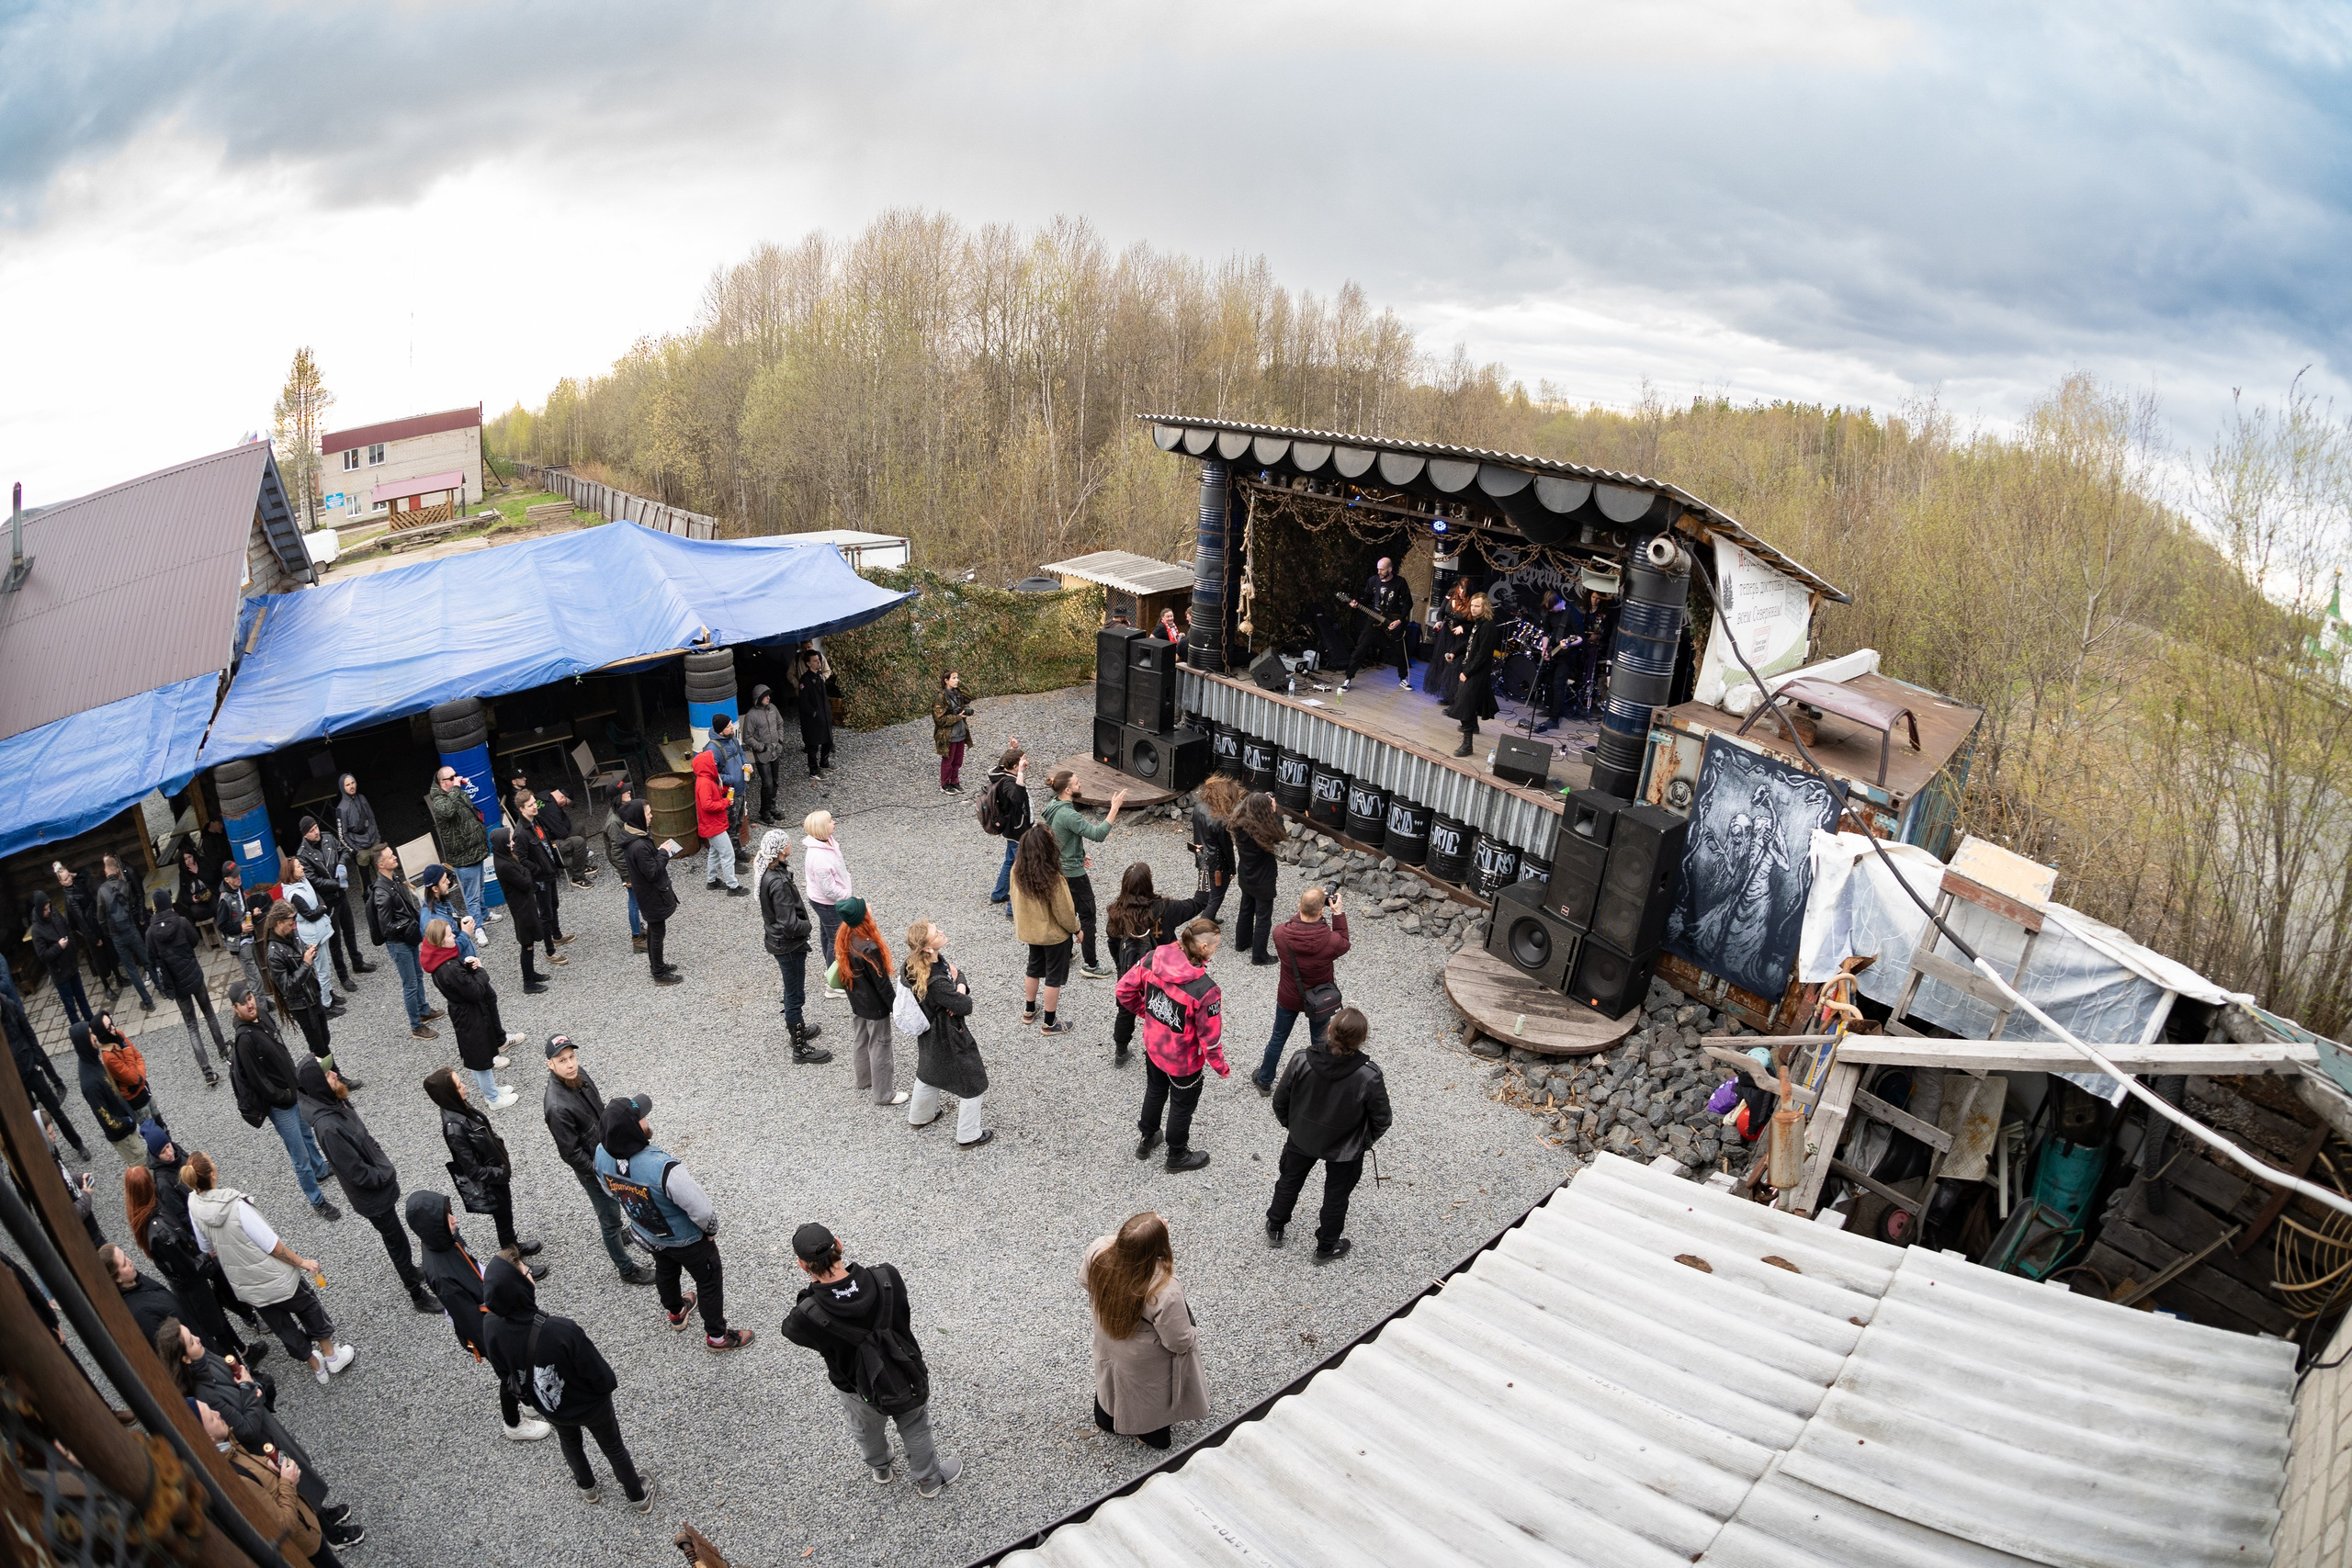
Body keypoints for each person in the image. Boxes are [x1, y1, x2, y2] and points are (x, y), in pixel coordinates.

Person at [780, 1222, 962, 1497]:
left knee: (866, 1428)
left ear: (803, 1266)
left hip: (856, 1387)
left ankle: (881, 1468)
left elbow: (790, 1331)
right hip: (905, 1372)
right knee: (915, 1425)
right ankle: (929, 1480)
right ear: (839, 1246)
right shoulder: (885, 1276)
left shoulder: (808, 1312)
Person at [165, 1321, 367, 1553]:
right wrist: (249, 1390)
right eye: (191, 1341)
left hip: (266, 1429)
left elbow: (240, 1384)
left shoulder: (204, 1358)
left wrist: (250, 1388)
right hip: (261, 1445)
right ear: (185, 1360)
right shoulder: (204, 1393)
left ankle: (320, 1512)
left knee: (302, 1472)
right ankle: (329, 1534)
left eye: (193, 1335)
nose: (198, 1340)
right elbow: (245, 1428)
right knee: (295, 1485)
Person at [483, 1254, 656, 1509]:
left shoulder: (490, 1325)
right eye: (526, 1271)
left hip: (550, 1407)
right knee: (613, 1447)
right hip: (591, 1407)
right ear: (518, 1286)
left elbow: (504, 1372)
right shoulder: (561, 1330)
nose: (530, 1273)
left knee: (570, 1442)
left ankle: (587, 1487)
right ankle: (637, 1495)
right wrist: (603, 1392)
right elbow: (600, 1375)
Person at [180, 1149, 356, 1384]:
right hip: (277, 1278)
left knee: (283, 1328)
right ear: (212, 1174)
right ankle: (332, 1357)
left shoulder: (193, 1204)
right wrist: (302, 1262)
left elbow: (206, 1247)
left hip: (247, 1285)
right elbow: (271, 1245)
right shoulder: (236, 1206)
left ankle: (317, 1368)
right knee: (308, 1308)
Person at [594, 1093, 754, 1352]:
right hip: (686, 1240)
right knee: (708, 1280)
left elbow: (609, 1191)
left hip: (648, 1233)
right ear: (633, 1129)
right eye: (642, 1118)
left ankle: (677, 1312)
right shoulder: (664, 1168)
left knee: (665, 1269)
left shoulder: (602, 1154)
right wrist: (710, 1231)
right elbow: (700, 1210)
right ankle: (717, 1336)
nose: (647, 1120)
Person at [404, 1191, 558, 1443]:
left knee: (520, 1364)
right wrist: (497, 1347)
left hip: (490, 1312)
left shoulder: (442, 1237)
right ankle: (514, 1423)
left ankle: (528, 1400)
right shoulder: (442, 1274)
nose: (455, 1220)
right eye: (446, 1217)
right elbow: (471, 1322)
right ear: (432, 1225)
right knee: (508, 1373)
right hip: (485, 1328)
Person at [294, 1057, 437, 1312]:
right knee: (396, 1241)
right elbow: (357, 1172)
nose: (336, 1074)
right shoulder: (327, 1126)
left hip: (379, 1186)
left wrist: (381, 1161)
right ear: (318, 1085)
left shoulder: (336, 1101)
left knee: (397, 1238)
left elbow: (365, 1137)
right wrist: (384, 1174)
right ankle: (417, 1295)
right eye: (328, 1075)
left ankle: (412, 1273)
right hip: (373, 1196)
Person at [1267, 1005, 1392, 1261]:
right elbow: (1382, 1119)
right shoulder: (1369, 1075)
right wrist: (1361, 1141)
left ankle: (1276, 1227)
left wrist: (1294, 1127)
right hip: (1345, 1149)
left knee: (1289, 1181)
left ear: (1329, 1030)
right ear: (1362, 1039)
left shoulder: (1301, 1059)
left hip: (1302, 1138)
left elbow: (1280, 1101)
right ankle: (1326, 1248)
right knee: (1336, 1196)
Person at [1083, 1213, 1210, 1450]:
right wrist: (1195, 1333)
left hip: (1106, 1335)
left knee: (1109, 1376)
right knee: (1149, 1395)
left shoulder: (1099, 1250)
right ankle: (1148, 1435)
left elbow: (1085, 1282)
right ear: (1159, 1248)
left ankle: (1106, 1420)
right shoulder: (1164, 1288)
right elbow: (1178, 1342)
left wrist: (1145, 1232)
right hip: (1144, 1357)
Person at [1117, 918, 1228, 1173]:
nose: (1216, 950)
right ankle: (1177, 1154)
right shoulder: (1205, 990)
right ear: (1202, 948)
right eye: (1215, 945)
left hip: (1154, 1046)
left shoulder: (1152, 958)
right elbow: (1210, 1037)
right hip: (1183, 1060)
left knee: (1155, 1090)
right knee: (1182, 1105)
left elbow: (1123, 989)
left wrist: (1145, 1012)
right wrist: (1220, 1067)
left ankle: (1147, 1139)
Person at [541, 1035, 655, 1285]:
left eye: (572, 1057)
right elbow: (570, 1154)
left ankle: (622, 1235)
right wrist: (600, 1171)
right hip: (594, 1170)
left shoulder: (578, 1074)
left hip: (608, 1154)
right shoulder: (556, 1107)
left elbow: (601, 1110)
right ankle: (626, 1270)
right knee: (610, 1219)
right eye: (562, 1060)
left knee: (622, 1199)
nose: (570, 1064)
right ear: (551, 1064)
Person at [124, 1154, 255, 1364]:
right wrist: (207, 1257)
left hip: (188, 1283)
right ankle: (238, 1368)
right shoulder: (159, 1231)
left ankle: (245, 1351)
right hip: (193, 1286)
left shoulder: (143, 1217)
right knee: (216, 1329)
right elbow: (187, 1267)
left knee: (218, 1321)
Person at [191, 1396, 346, 1567]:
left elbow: (249, 1464)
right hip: (305, 1546)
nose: (217, 1413)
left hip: (308, 1529)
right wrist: (288, 1481)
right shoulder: (236, 1479)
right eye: (211, 1417)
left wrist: (267, 1464)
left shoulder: (226, 1446)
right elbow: (284, 1526)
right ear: (209, 1438)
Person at [225, 983, 337, 1216]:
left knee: (306, 1134)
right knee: (299, 1155)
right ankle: (317, 1201)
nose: (250, 1004)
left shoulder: (263, 1015)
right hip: (281, 1104)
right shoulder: (244, 1040)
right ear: (235, 1009)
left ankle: (320, 1169)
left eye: (250, 997)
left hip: (293, 1092)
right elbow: (258, 1082)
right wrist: (284, 1096)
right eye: (244, 1002)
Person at [425, 1066, 544, 1259]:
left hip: (496, 1175)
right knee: (503, 1219)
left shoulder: (458, 1107)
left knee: (505, 1216)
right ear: (449, 1094)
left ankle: (513, 1246)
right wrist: (500, 1173)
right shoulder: (454, 1128)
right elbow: (472, 1170)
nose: (465, 1087)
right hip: (492, 1181)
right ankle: (513, 1262)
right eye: (458, 1086)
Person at [1105, 863, 1207, 1069]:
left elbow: (1113, 942)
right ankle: (1160, 1052)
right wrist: (1204, 868)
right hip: (1164, 974)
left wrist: (1121, 969)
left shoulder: (1116, 912)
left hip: (1131, 972)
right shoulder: (1167, 909)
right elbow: (1200, 901)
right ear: (1149, 883)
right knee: (1163, 1010)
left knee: (1126, 1011)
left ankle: (1121, 1051)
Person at [1257, 886, 1351, 1093]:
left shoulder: (1280, 933)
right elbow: (1344, 943)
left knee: (1278, 1038)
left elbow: (1293, 923)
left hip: (1289, 996)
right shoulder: (1331, 941)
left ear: (1299, 907)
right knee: (1319, 1041)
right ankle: (1321, 1083)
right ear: (1321, 911)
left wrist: (1307, 908)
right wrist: (1337, 913)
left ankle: (1264, 1079)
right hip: (1319, 999)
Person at [904, 920, 989, 1147]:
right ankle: (969, 1135)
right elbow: (965, 1006)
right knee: (973, 1083)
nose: (941, 931)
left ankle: (920, 1117)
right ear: (928, 948)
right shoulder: (938, 982)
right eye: (935, 932)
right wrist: (959, 991)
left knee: (929, 1070)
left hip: (929, 1034)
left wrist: (957, 985)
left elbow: (956, 973)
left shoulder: (915, 965)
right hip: (949, 1034)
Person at [423, 919, 523, 1106]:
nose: (454, 935)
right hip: (469, 1015)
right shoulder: (449, 968)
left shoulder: (441, 962)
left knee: (478, 1056)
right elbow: (475, 992)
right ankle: (493, 1098)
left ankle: (491, 1091)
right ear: (440, 942)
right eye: (449, 934)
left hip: (464, 1013)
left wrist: (468, 970)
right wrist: (481, 971)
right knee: (481, 1059)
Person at [1040, 769, 1127, 979]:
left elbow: (1061, 837)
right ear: (1068, 789)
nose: (1080, 785)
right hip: (1073, 875)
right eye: (1077, 783)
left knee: (1063, 911)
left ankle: (1064, 952)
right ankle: (1091, 964)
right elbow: (1098, 834)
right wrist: (1114, 808)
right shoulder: (1069, 814)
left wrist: (1078, 855)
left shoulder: (1053, 806)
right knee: (1087, 916)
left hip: (1059, 869)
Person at [755, 829, 831, 1066]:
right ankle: (799, 1047)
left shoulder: (769, 872)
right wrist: (807, 926)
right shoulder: (777, 882)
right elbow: (789, 923)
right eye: (787, 842)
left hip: (779, 941)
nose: (791, 843)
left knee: (793, 991)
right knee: (794, 994)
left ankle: (797, 1030)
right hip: (789, 945)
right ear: (779, 850)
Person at [147, 889, 227, 1082]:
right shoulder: (181, 922)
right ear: (170, 903)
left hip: (176, 983)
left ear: (155, 907)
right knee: (209, 1013)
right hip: (193, 975)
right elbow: (195, 940)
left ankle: (207, 1072)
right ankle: (224, 1051)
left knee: (192, 1026)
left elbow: (151, 959)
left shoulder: (150, 933)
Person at [1009, 824, 1080, 1036]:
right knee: (1053, 977)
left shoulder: (1016, 871)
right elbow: (1065, 912)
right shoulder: (1053, 878)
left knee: (1033, 968)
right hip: (1053, 936)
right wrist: (1076, 930)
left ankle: (1029, 1010)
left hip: (1030, 932)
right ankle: (1050, 1023)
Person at [263, 899, 347, 1077]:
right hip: (302, 1006)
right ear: (278, 923)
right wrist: (307, 963)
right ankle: (334, 1078)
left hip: (313, 996)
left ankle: (323, 1077)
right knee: (319, 1046)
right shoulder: (274, 954)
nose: (294, 926)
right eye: (290, 923)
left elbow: (299, 961)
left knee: (324, 1039)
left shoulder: (290, 936)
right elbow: (287, 987)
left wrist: (308, 952)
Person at [6, 987, 89, 1157]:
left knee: (55, 1110)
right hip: (16, 1079)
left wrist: (36, 1059)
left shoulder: (10, 1005)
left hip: (31, 1069)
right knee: (34, 1121)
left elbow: (28, 1033)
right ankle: (54, 1156)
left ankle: (78, 1144)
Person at [368, 845, 440, 1040]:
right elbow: (386, 927)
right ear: (380, 864)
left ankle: (423, 1010)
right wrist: (408, 925)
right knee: (410, 984)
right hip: (399, 943)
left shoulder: (394, 880)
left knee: (417, 976)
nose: (395, 858)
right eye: (390, 857)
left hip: (407, 939)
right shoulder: (382, 893)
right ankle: (416, 1026)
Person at [834, 897, 899, 1097]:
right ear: (862, 917)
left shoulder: (845, 938)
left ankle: (864, 1080)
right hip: (875, 1007)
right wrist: (897, 1007)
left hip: (857, 1003)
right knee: (881, 1045)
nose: (870, 907)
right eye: (866, 908)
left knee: (861, 1040)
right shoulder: (869, 947)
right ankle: (884, 1094)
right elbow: (882, 984)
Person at [296, 816, 370, 983]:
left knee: (350, 931)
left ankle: (357, 962)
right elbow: (314, 881)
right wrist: (337, 884)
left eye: (316, 827)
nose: (316, 832)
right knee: (335, 941)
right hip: (328, 901)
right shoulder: (303, 855)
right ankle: (343, 976)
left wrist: (342, 863)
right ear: (305, 835)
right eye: (311, 831)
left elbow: (344, 850)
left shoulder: (328, 837)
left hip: (341, 896)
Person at [616, 801, 684, 985]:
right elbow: (652, 872)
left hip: (647, 894)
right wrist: (663, 853)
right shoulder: (638, 845)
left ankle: (657, 965)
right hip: (652, 895)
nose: (651, 816)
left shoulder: (635, 838)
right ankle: (659, 973)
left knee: (655, 932)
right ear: (638, 817)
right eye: (647, 813)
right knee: (657, 933)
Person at [426, 762, 498, 924]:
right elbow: (448, 811)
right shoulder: (439, 801)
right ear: (442, 783)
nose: (456, 779)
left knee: (480, 889)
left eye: (455, 775)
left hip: (475, 850)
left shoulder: (454, 792)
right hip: (463, 856)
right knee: (472, 896)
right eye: (451, 778)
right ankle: (478, 928)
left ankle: (484, 914)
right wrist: (457, 789)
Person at [279, 853, 347, 1014]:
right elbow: (309, 914)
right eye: (298, 866)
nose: (302, 867)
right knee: (322, 969)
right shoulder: (294, 894)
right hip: (312, 934)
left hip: (318, 930)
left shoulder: (303, 881)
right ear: (290, 872)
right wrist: (322, 908)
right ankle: (326, 1005)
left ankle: (329, 994)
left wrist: (321, 906)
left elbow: (317, 896)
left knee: (325, 965)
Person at [489, 826, 553, 994]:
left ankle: (531, 973)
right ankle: (528, 982)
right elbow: (525, 882)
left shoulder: (504, 857)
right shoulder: (505, 865)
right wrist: (526, 871)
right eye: (509, 840)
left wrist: (525, 872)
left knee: (529, 942)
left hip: (524, 905)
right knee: (527, 944)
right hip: (521, 908)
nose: (512, 842)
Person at [1339, 556, 1414, 692]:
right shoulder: (1373, 581)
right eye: (1378, 569)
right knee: (1361, 648)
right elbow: (1366, 598)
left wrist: (1399, 620)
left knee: (1400, 651)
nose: (1379, 572)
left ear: (1390, 569)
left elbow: (1409, 603)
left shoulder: (1400, 582)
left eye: (1382, 570)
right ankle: (1348, 679)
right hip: (1374, 620)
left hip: (1393, 621)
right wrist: (1357, 603)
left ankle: (1403, 679)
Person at [94, 854, 157, 1011]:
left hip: (117, 936)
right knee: (147, 960)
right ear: (117, 871)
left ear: (106, 871)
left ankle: (148, 1002)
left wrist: (109, 933)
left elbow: (100, 918)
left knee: (131, 969)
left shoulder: (101, 891)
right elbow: (132, 904)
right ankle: (163, 989)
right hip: (131, 929)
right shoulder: (124, 885)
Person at [512, 795, 573, 956]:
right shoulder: (521, 833)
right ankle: (550, 951)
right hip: (540, 879)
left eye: (534, 803)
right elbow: (520, 859)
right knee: (545, 914)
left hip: (549, 872)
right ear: (521, 809)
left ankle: (557, 936)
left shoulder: (536, 821)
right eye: (530, 805)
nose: (535, 806)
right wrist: (538, 868)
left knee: (554, 905)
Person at [1229, 791, 1286, 966]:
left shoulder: (1238, 826)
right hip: (1263, 880)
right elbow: (1280, 834)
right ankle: (1259, 955)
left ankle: (1242, 942)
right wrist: (1275, 813)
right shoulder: (1265, 831)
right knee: (1263, 917)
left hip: (1246, 876)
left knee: (1246, 908)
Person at [56, 863, 125, 1002]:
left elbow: (85, 873)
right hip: (90, 929)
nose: (69, 880)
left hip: (98, 920)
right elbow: (81, 921)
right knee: (99, 960)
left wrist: (73, 874)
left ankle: (118, 977)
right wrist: (94, 938)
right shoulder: (70, 898)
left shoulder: (76, 883)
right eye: (65, 879)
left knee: (110, 951)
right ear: (61, 882)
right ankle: (106, 987)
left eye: (69, 876)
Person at [1446, 591, 1500, 758]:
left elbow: (1483, 655)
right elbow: (1469, 644)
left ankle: (1467, 745)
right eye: (1472, 606)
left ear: (1485, 607)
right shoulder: (1478, 623)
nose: (1474, 609)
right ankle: (1473, 727)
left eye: (1477, 606)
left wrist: (1467, 672)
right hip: (1470, 668)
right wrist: (1455, 653)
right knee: (1468, 703)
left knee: (1465, 706)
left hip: (1477, 672)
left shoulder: (1488, 627)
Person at [28, 890, 95, 1027]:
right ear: (40, 909)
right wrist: (59, 946)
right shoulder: (36, 930)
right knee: (70, 1006)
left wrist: (72, 945)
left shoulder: (54, 913)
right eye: (45, 909)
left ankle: (92, 1023)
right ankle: (79, 1031)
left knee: (82, 998)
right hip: (60, 974)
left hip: (72, 965)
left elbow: (67, 927)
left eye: (49, 907)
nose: (48, 911)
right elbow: (43, 956)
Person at [803, 809, 852, 990]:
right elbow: (829, 889)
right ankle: (835, 984)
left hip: (824, 901)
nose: (834, 823)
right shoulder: (819, 858)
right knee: (836, 940)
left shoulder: (827, 842)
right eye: (831, 821)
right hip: (827, 903)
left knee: (827, 934)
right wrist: (847, 896)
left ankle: (830, 969)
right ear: (823, 828)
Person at [983, 743, 1033, 915]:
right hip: (1018, 830)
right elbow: (1017, 798)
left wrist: (1013, 748)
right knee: (1020, 868)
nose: (1026, 763)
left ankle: (998, 894)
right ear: (1013, 767)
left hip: (1011, 830)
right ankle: (1013, 908)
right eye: (1022, 761)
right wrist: (1020, 773)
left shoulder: (1000, 773)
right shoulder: (1008, 782)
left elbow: (1003, 763)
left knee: (1010, 862)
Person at [68, 1021, 137, 1143]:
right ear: (83, 1042)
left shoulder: (91, 1059)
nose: (94, 1037)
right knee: (140, 1161)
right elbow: (108, 1122)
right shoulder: (90, 1084)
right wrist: (128, 1121)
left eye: (92, 1032)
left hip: (127, 1124)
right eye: (89, 1035)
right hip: (124, 1137)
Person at [693, 746, 747, 896]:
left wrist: (723, 790)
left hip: (712, 825)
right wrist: (724, 803)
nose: (715, 765)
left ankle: (712, 880)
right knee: (728, 854)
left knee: (715, 852)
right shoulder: (705, 782)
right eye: (713, 762)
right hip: (713, 825)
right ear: (707, 765)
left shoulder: (705, 779)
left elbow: (711, 795)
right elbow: (707, 804)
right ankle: (733, 886)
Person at [1188, 774, 1242, 921]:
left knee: (1205, 891)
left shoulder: (1198, 808)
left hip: (1202, 860)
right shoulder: (1220, 820)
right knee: (1216, 897)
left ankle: (1208, 919)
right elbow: (1227, 848)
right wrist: (1232, 869)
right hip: (1218, 866)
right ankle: (1202, 926)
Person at [604, 784, 647, 952]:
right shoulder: (614, 822)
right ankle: (637, 938)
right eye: (624, 791)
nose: (629, 791)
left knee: (637, 900)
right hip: (628, 868)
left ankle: (639, 931)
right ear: (617, 797)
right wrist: (627, 876)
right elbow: (617, 852)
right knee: (634, 902)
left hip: (632, 864)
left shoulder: (621, 811)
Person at [93, 1012, 156, 1123]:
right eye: (109, 1027)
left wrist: (140, 1077)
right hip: (135, 1100)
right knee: (151, 1130)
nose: (114, 1028)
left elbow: (139, 1057)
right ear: (103, 1033)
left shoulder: (118, 1034)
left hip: (143, 1088)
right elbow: (132, 1078)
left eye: (112, 1023)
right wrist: (126, 1049)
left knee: (160, 1123)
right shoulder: (109, 1057)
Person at [742, 683, 789, 825]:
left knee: (775, 782)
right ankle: (764, 811)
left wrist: (780, 740)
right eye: (765, 696)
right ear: (758, 698)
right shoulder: (751, 715)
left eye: (769, 695)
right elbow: (747, 737)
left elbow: (780, 724)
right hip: (762, 755)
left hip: (776, 751)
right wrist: (761, 748)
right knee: (767, 784)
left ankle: (772, 807)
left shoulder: (773, 709)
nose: (768, 697)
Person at [334, 774, 382, 900]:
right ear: (342, 787)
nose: (351, 786)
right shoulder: (341, 809)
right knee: (366, 884)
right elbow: (342, 835)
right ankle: (370, 907)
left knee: (384, 875)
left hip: (374, 843)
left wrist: (377, 837)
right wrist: (355, 851)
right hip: (360, 849)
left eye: (353, 783)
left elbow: (372, 818)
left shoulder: (362, 798)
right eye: (348, 784)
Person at [420, 862, 485, 956]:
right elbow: (445, 953)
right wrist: (465, 933)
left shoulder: (440, 899)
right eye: (444, 881)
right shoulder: (431, 921)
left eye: (446, 878)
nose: (448, 882)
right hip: (459, 966)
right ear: (435, 889)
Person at [537, 787, 595, 887]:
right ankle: (577, 877)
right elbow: (562, 833)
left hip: (551, 835)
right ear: (561, 797)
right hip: (548, 844)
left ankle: (581, 864)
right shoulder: (551, 809)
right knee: (578, 841)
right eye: (565, 804)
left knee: (579, 826)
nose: (564, 807)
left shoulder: (544, 796)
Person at [797, 649, 840, 777]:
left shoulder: (820, 675)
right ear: (808, 664)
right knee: (813, 745)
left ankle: (824, 764)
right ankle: (813, 771)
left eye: (818, 660)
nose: (818, 662)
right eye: (815, 661)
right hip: (813, 719)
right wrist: (814, 714)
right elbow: (804, 703)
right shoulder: (805, 680)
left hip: (824, 714)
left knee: (828, 741)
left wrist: (827, 710)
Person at [933, 671, 972, 792]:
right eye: (954, 678)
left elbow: (970, 696)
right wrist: (958, 717)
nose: (957, 680)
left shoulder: (957, 693)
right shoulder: (940, 697)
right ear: (946, 680)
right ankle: (945, 784)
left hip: (960, 733)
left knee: (958, 761)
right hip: (948, 735)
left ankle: (955, 781)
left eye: (957, 678)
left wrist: (960, 684)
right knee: (948, 761)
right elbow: (939, 719)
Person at [174, 847, 221, 942]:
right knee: (195, 911)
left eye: (189, 857)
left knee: (215, 904)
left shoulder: (202, 862)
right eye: (185, 859)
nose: (188, 861)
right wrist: (192, 899)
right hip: (198, 901)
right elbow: (184, 895)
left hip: (210, 893)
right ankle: (215, 919)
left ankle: (221, 925)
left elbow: (213, 878)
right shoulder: (183, 874)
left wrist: (198, 872)